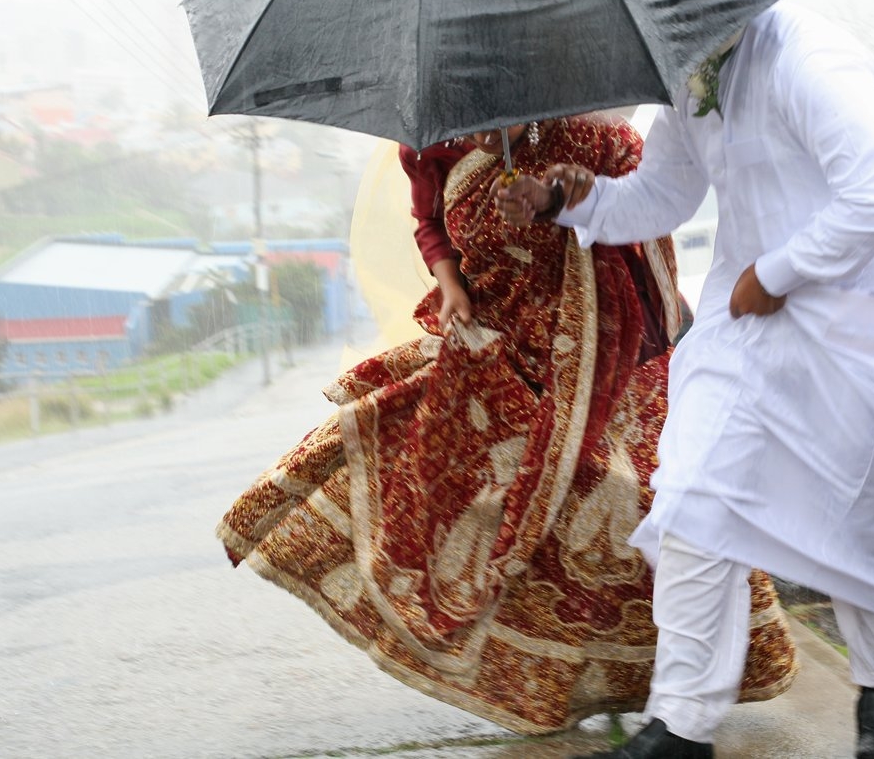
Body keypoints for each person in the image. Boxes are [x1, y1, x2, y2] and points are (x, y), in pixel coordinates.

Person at [216, 114, 799, 736]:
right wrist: (448, 284)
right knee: (441, 474)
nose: (490, 128)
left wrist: (573, 199)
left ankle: (676, 693)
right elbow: (431, 226)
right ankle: (547, 684)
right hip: (496, 338)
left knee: (645, 501)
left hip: (606, 349)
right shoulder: (432, 148)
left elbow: (648, 216)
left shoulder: (591, 142)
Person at [496, 0, 874, 759]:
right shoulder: (693, 77)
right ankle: (682, 722)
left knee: (863, 519)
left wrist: (779, 271)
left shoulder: (812, 59)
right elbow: (665, 194)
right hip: (743, 331)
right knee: (693, 500)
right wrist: (569, 200)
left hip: (851, 325)